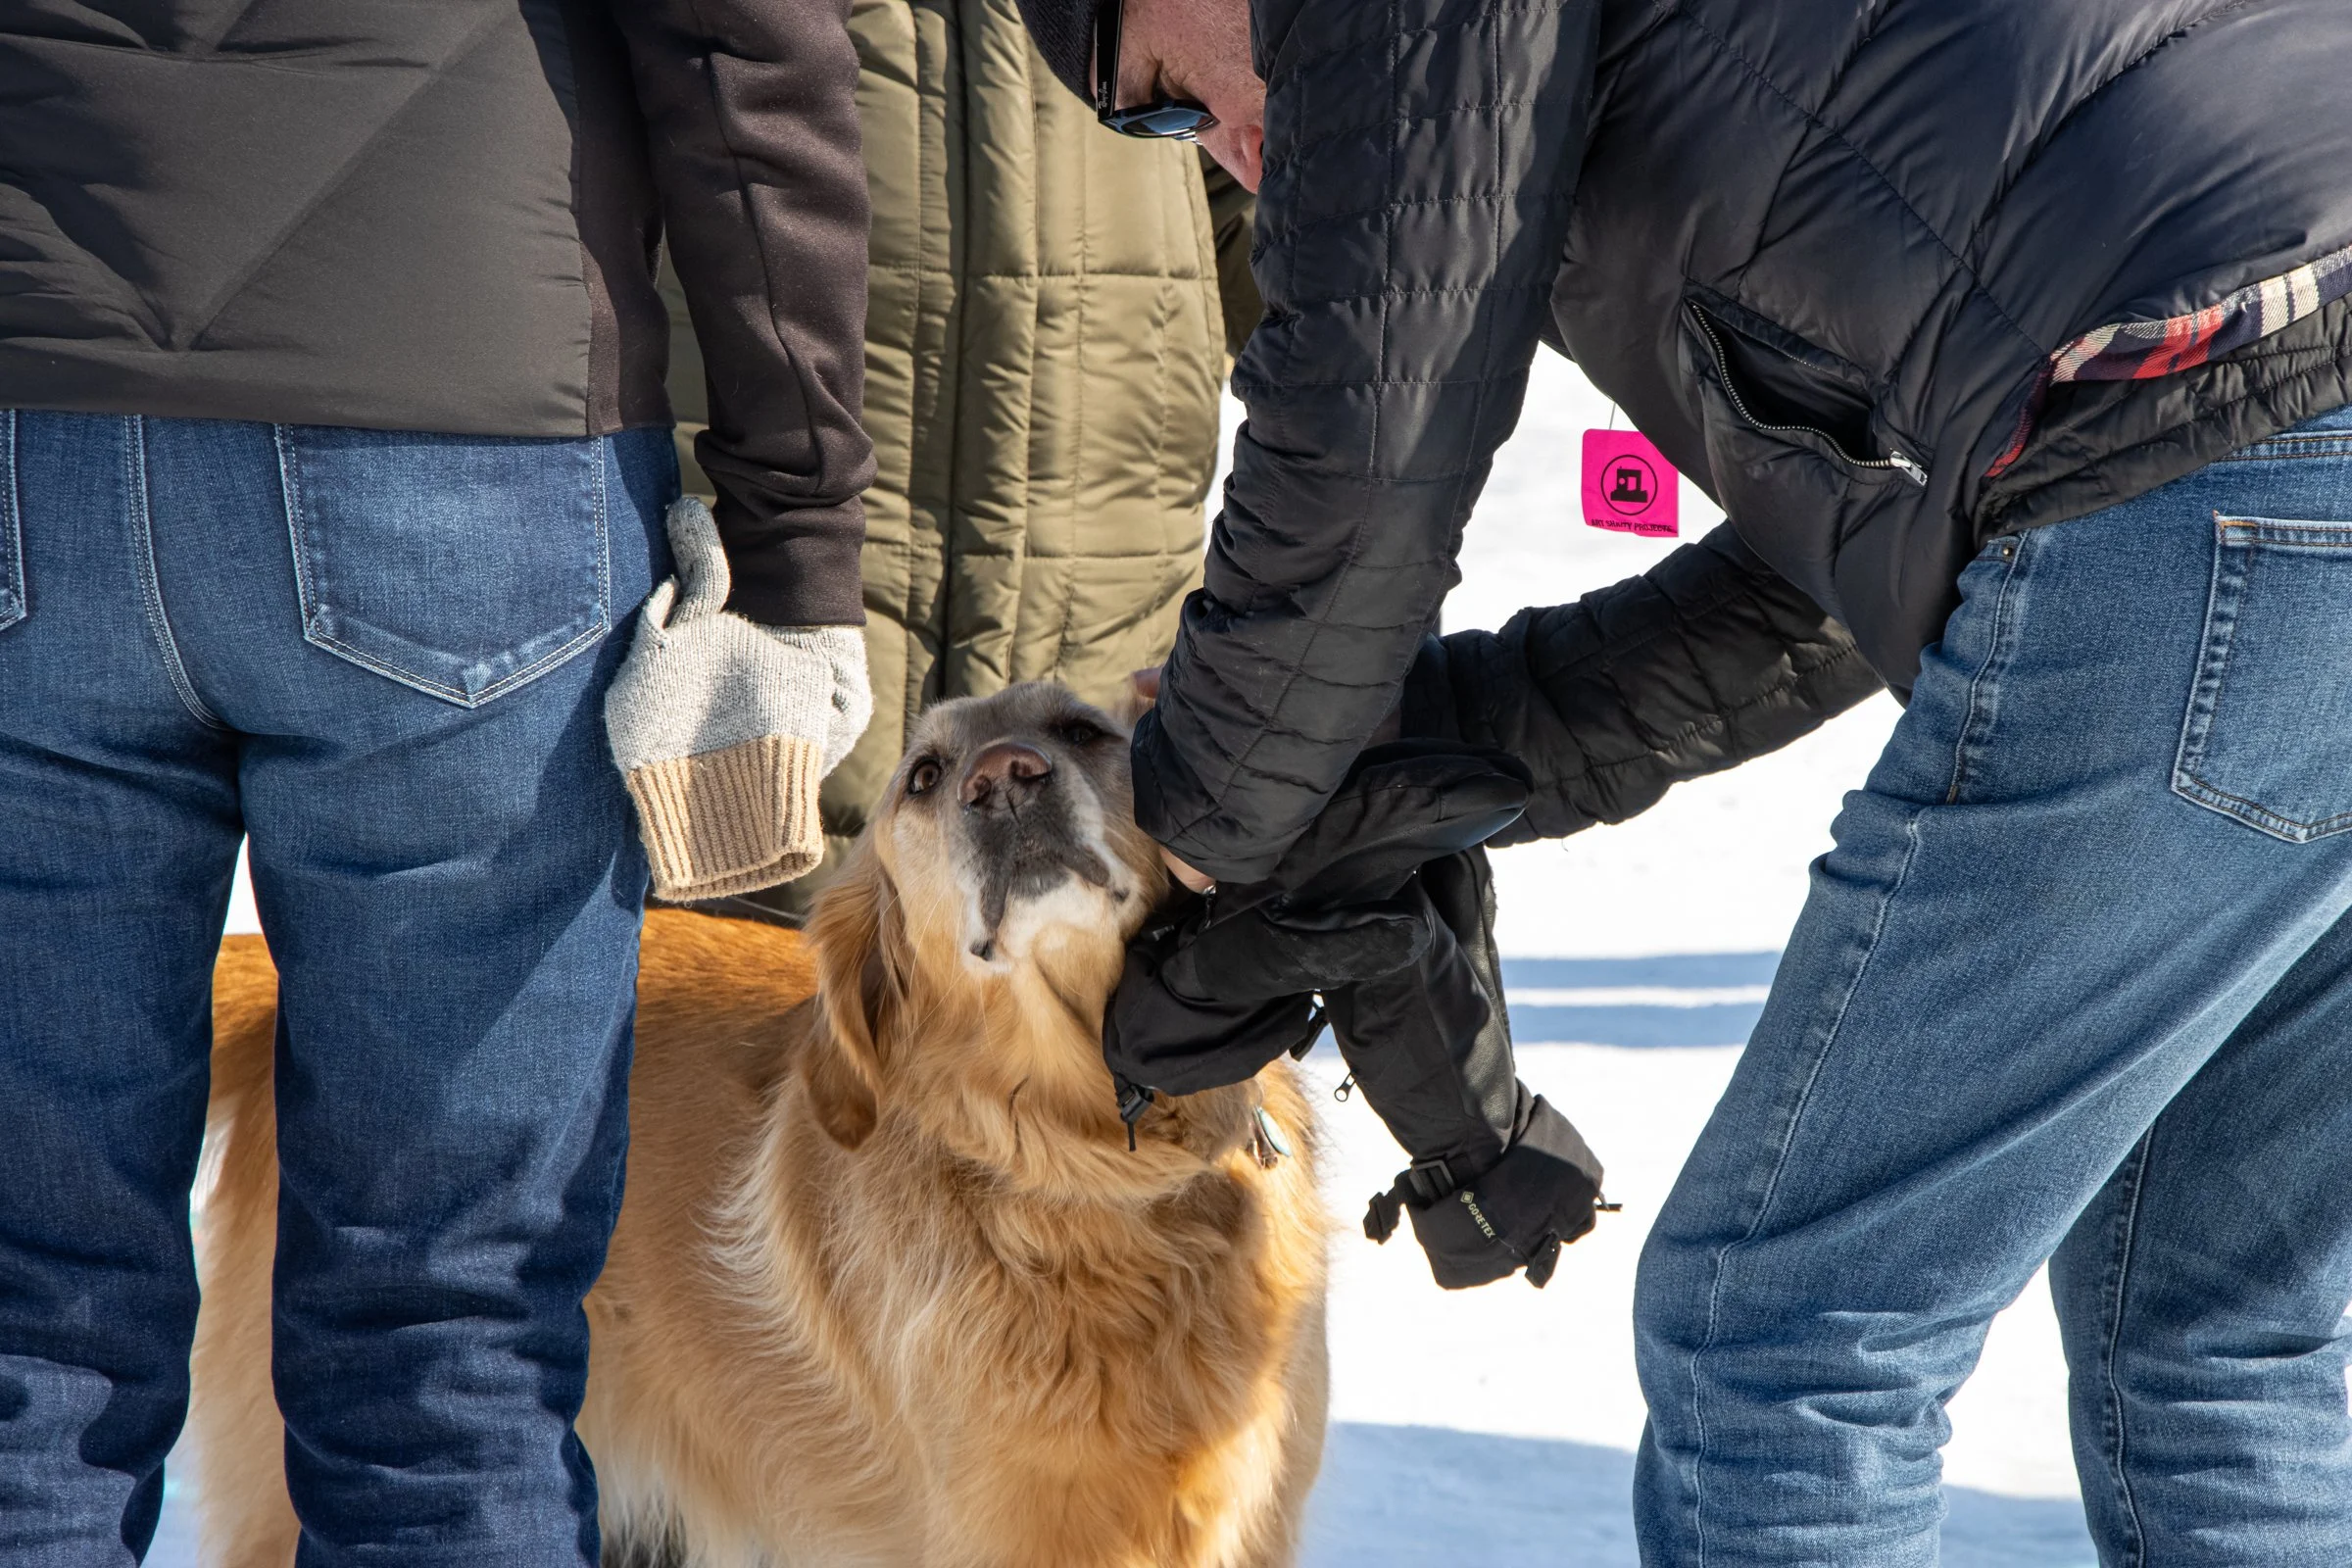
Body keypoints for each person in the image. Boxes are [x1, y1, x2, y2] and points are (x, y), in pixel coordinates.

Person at [1008, 0, 2352, 1561]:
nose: (1231, 155)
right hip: (2249, 418)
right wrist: (1418, 748)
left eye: (1173, 97)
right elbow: (1845, 564)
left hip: (2206, 450)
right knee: (2204, 1334)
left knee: (1784, 1346)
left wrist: (1198, 823)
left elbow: (1373, 421)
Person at [0, 0, 871, 1557]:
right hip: (466, 437)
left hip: (29, 437)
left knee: (27, 1310)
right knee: (445, 1324)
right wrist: (797, 541)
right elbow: (743, 45)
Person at [662, 2, 1262, 920]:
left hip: (1105, 577)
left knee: (1085, 1022)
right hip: (783, 568)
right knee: (772, 1001)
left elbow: (1255, 176)